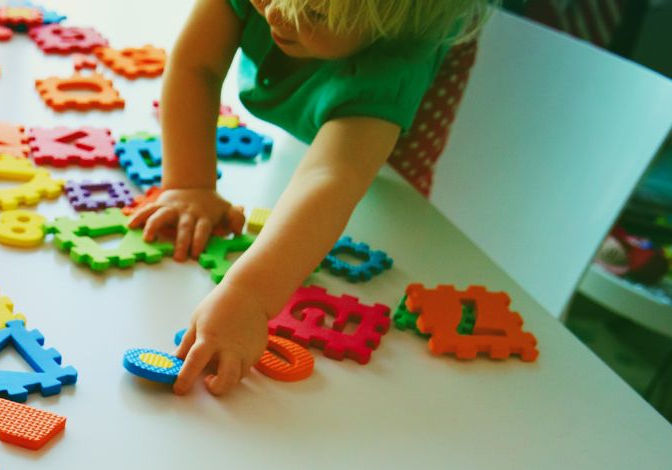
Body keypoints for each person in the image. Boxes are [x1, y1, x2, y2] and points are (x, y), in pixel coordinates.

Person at [132, 0, 490, 395]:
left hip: (392, 69)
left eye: (315, 14)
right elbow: (196, 67)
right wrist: (189, 186)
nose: (275, 16)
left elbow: (333, 174)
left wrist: (251, 294)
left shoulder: (397, 54)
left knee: (389, 186)